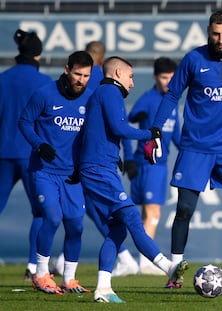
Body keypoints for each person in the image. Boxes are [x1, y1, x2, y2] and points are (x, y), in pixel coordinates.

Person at [144, 10, 222, 289]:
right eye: (215, 34)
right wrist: (156, 129)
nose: (220, 39)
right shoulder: (193, 59)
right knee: (184, 210)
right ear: (208, 32)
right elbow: (172, 94)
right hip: (196, 147)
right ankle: (174, 273)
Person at [79, 56, 188, 303]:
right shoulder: (109, 92)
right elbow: (119, 128)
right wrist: (150, 133)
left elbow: (98, 131)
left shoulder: (104, 93)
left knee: (117, 230)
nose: (131, 83)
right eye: (130, 77)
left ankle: (103, 288)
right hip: (98, 170)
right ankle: (168, 267)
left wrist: (111, 155)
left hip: (101, 167)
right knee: (131, 217)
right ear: (118, 73)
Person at [51, 40, 140, 278]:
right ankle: (68, 261)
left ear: (97, 62)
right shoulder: (96, 88)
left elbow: (116, 126)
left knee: (88, 210)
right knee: (80, 210)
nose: (83, 76)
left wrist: (123, 155)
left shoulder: (97, 89)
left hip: (86, 162)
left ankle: (122, 257)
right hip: (86, 160)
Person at [19, 51, 94, 295]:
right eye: (77, 74)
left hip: (72, 175)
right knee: (51, 217)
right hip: (44, 171)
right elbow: (25, 122)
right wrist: (39, 144)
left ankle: (69, 279)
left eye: (86, 75)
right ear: (66, 69)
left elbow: (95, 135)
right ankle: (40, 274)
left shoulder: (90, 99)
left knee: (76, 226)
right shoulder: (45, 94)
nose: (81, 80)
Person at [0, 29, 52, 281]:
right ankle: (34, 267)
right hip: (32, 154)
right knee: (42, 212)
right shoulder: (44, 83)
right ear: (38, 54)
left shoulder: (3, 79)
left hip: (2, 153)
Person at [123, 57, 180, 275]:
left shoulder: (172, 102)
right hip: (147, 164)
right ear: (156, 77)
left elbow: (177, 136)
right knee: (152, 211)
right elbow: (126, 125)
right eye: (164, 77)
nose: (168, 82)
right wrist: (128, 158)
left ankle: (142, 259)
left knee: (149, 212)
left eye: (172, 78)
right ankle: (146, 262)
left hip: (161, 165)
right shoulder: (148, 100)